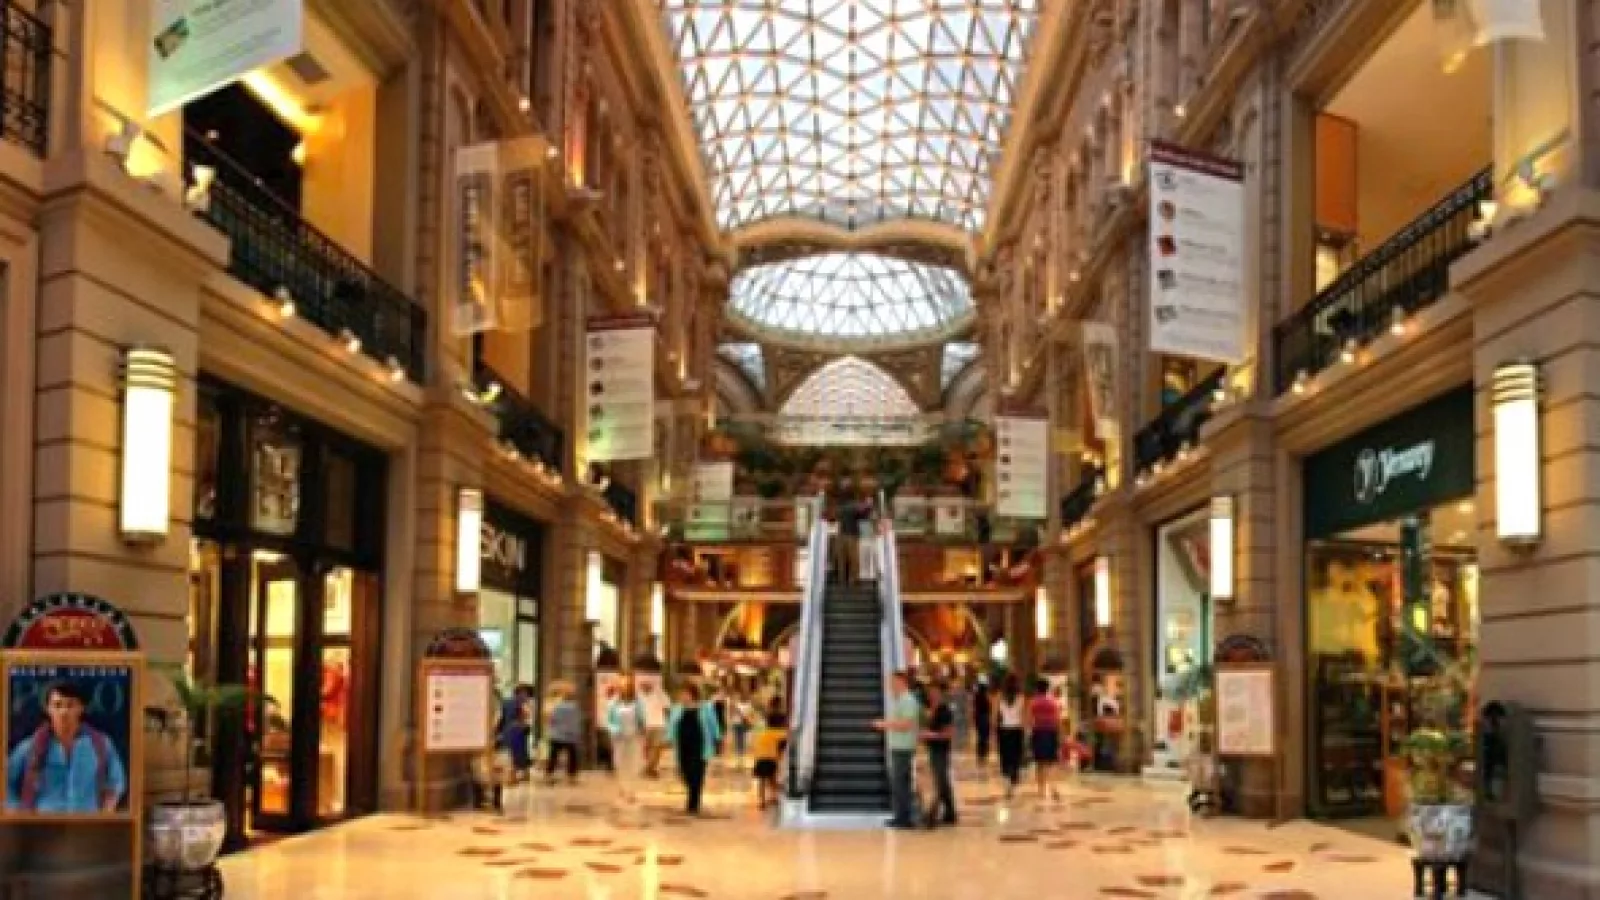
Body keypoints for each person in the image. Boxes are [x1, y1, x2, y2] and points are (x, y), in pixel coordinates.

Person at [6, 681, 127, 813]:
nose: (63, 711)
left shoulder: (101, 744)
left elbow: (116, 782)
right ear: (48, 709)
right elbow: (5, 782)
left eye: (70, 705)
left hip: (87, 820)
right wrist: (19, 813)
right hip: (43, 822)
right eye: (57, 705)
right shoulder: (29, 747)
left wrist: (105, 814)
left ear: (81, 708)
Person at [871, 671, 921, 829]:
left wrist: (884, 724)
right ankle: (901, 816)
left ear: (901, 682)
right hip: (899, 746)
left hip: (903, 747)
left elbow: (906, 724)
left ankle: (903, 818)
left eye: (893, 682)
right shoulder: (901, 700)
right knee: (900, 783)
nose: (890, 686)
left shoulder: (908, 700)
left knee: (900, 783)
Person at [667, 683, 722, 814]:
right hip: (683, 745)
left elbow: (714, 724)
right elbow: (671, 726)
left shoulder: (706, 708)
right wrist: (668, 739)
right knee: (685, 772)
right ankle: (693, 799)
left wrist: (718, 739)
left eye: (685, 694)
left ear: (693, 694)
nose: (683, 696)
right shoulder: (677, 709)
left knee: (697, 773)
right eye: (682, 694)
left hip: (700, 745)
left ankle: (692, 805)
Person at [919, 680, 958, 828]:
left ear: (941, 694)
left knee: (940, 781)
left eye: (935, 692)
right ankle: (950, 813)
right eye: (930, 693)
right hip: (932, 750)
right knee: (942, 781)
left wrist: (931, 735)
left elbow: (949, 733)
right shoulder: (929, 710)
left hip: (941, 750)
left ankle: (932, 814)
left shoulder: (945, 711)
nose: (932, 695)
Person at [606, 678, 647, 804]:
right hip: (619, 737)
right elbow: (609, 720)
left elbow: (642, 719)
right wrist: (614, 730)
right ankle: (622, 789)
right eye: (622, 686)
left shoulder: (638, 702)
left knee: (633, 763)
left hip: (634, 736)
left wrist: (643, 733)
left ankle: (631, 791)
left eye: (626, 686)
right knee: (619, 763)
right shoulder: (613, 703)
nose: (624, 689)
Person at [1027, 677, 1064, 802]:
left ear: (1037, 689)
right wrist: (1060, 734)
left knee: (1039, 762)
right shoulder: (1052, 702)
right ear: (1047, 688)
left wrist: (1031, 731)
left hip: (1038, 732)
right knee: (1051, 761)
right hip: (1051, 732)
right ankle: (1053, 786)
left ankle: (1041, 790)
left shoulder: (1033, 702)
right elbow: (1057, 719)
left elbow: (1030, 719)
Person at [751, 700, 788, 811]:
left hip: (760, 758)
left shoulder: (763, 732)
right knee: (772, 779)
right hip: (771, 759)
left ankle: (761, 801)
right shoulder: (780, 733)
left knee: (761, 781)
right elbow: (784, 745)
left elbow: (755, 741)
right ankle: (774, 797)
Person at [994, 674, 1026, 799]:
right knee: (1016, 757)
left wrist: (993, 734)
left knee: (1005, 756)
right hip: (1017, 730)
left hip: (1004, 730)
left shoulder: (999, 697)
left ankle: (1007, 783)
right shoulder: (1021, 697)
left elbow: (994, 717)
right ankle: (1012, 783)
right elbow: (1023, 718)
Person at [497, 684, 534, 782]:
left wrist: (498, 731)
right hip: (517, 730)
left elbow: (501, 718)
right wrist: (525, 726)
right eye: (526, 694)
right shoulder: (523, 703)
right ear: (522, 693)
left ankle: (512, 775)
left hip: (507, 730)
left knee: (510, 753)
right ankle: (520, 774)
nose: (527, 696)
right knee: (519, 753)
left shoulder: (505, 702)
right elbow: (525, 716)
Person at [545, 687, 581, 785]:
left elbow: (552, 720)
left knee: (553, 756)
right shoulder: (575, 708)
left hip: (557, 735)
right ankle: (571, 777)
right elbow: (576, 722)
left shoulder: (557, 707)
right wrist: (577, 733)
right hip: (570, 736)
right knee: (572, 756)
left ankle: (549, 775)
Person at [640, 678, 671, 778]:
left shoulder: (660, 694)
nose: (644, 686)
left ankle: (650, 768)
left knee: (657, 748)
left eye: (646, 684)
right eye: (642, 685)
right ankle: (650, 768)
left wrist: (668, 723)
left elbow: (667, 708)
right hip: (646, 726)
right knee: (646, 749)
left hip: (659, 725)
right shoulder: (639, 697)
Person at [972, 679, 993, 766]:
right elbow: (990, 709)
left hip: (978, 718)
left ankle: (980, 755)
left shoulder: (976, 697)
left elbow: (974, 709)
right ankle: (984, 755)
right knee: (985, 737)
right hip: (985, 718)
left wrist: (973, 719)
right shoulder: (987, 697)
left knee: (980, 737)